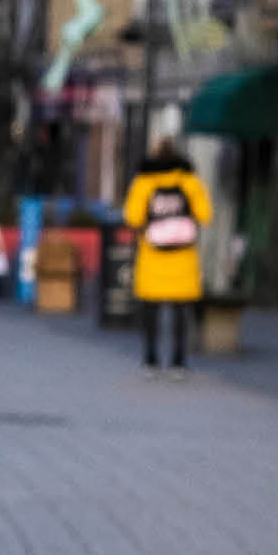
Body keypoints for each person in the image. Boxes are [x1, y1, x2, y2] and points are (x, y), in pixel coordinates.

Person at [117, 140, 212, 380]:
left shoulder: (144, 182)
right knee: (181, 311)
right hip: (184, 255)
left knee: (151, 310)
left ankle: (151, 360)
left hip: (152, 255)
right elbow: (205, 214)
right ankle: (178, 362)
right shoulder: (189, 181)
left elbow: (132, 216)